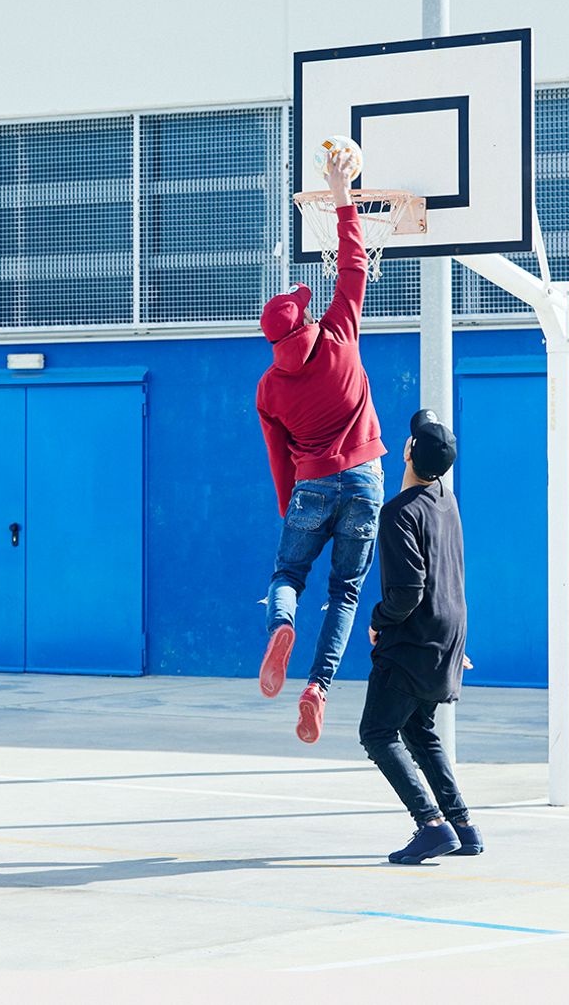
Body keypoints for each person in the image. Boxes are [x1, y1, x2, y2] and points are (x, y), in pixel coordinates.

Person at [256, 151, 385, 744]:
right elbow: (354, 263)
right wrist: (341, 195)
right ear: (304, 319)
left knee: (289, 571)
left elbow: (278, 457)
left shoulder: (269, 388)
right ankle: (319, 687)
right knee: (347, 591)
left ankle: (281, 623)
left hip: (309, 483)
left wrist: (292, 508)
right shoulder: (338, 332)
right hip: (364, 479)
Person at [359, 410, 484, 864]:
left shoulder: (397, 514)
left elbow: (407, 592)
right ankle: (463, 826)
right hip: (447, 632)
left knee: (376, 732)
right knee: (419, 730)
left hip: (413, 640)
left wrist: (377, 619)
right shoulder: (447, 501)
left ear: (410, 453)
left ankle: (431, 825)